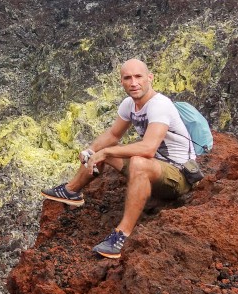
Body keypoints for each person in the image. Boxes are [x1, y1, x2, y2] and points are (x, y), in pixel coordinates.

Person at [41, 58, 196, 259]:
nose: (134, 83)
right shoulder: (129, 105)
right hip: (156, 168)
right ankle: (72, 191)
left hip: (178, 176)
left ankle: (122, 235)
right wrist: (91, 150)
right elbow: (113, 135)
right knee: (108, 148)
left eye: (139, 77)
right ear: (121, 82)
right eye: (128, 78)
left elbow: (148, 149)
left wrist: (105, 153)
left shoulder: (159, 105)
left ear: (150, 78)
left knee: (137, 161)